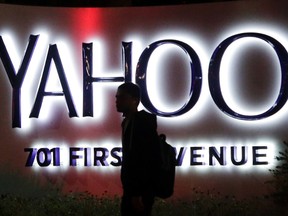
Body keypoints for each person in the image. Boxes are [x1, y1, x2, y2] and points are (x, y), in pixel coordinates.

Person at [115, 82, 158, 216]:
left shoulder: (141, 123)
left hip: (139, 193)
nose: (117, 101)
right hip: (132, 191)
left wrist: (136, 194)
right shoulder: (128, 122)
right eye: (116, 97)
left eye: (122, 97)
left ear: (135, 100)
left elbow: (144, 159)